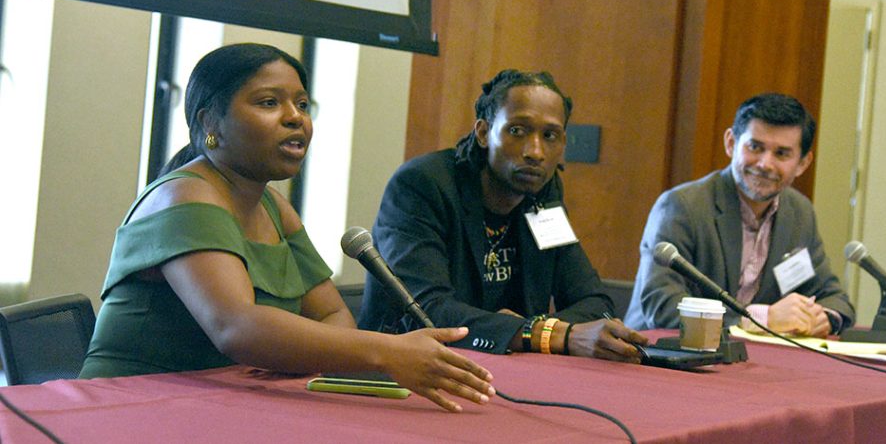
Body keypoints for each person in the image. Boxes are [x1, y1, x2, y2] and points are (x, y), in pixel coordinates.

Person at [79, 43, 494, 413]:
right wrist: (387, 352)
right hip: (127, 406)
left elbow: (332, 314)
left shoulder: (272, 205)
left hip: (223, 402)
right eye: (268, 103)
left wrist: (292, 354)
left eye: (302, 104)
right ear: (211, 123)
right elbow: (236, 327)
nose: (295, 118)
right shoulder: (185, 195)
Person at [359, 69, 648, 361]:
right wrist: (543, 334)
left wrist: (534, 330)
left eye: (550, 136)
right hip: (400, 375)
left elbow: (595, 301)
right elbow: (429, 311)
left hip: (506, 367)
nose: (535, 152)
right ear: (484, 133)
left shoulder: (542, 193)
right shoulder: (422, 185)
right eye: (517, 131)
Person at [624, 93, 855, 337]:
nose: (765, 164)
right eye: (755, 147)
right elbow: (662, 306)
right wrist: (760, 320)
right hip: (659, 358)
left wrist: (823, 318)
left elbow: (833, 297)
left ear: (803, 163)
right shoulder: (682, 206)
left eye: (782, 154)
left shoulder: (800, 212)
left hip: (747, 362)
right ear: (731, 143)